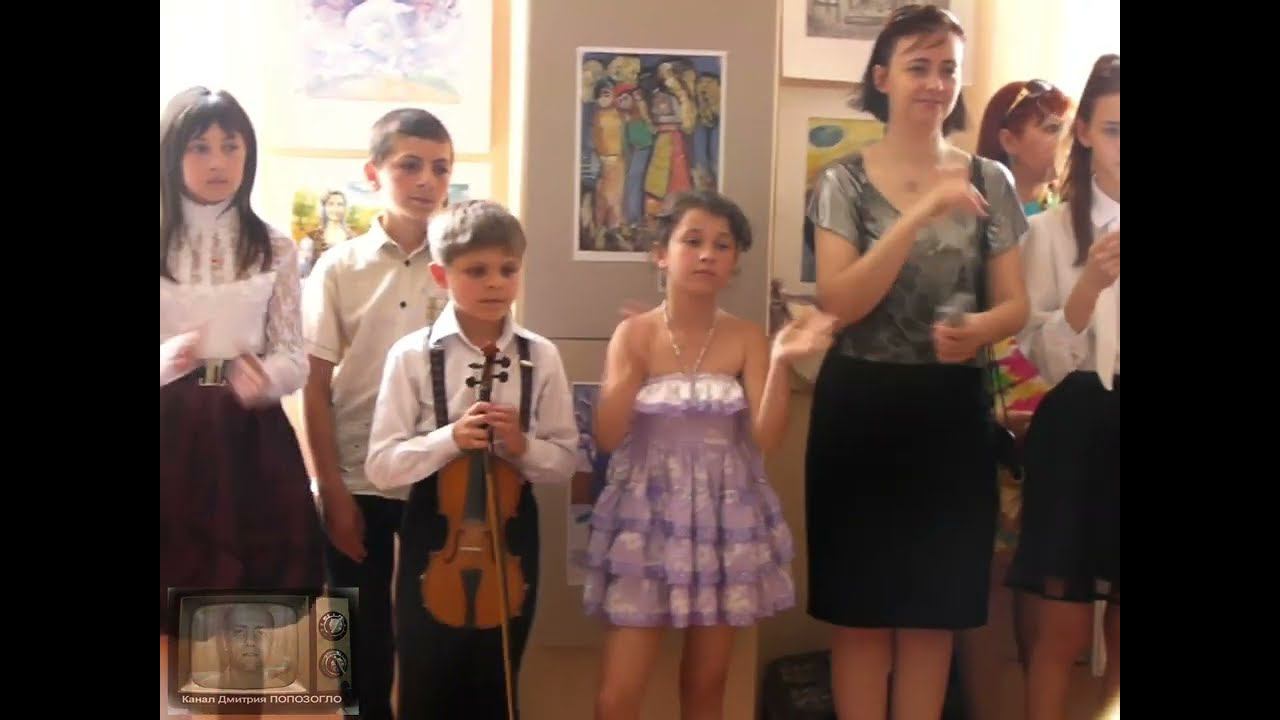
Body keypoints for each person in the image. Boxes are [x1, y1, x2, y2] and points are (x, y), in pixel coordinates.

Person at [803, 6, 1030, 718]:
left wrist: (980, 328)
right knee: (861, 615)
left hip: (951, 412)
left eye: (948, 69)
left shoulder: (991, 179)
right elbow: (840, 301)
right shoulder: (842, 182)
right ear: (882, 78)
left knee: (935, 616)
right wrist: (920, 212)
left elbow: (1015, 305)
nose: (935, 83)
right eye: (918, 67)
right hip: (860, 406)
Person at [585, 190, 835, 720]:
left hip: (726, 521)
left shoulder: (748, 337)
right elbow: (606, 436)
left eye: (722, 245)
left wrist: (782, 360)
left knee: (707, 686)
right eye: (692, 241)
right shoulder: (634, 334)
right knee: (617, 694)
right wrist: (629, 360)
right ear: (662, 254)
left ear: (735, 261)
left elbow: (767, 438)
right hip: (646, 518)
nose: (707, 254)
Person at [366, 200, 578, 719]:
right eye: (476, 270)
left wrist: (521, 445)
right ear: (442, 276)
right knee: (425, 680)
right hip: (434, 533)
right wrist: (449, 439)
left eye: (508, 269)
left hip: (512, 538)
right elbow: (382, 466)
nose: (495, 283)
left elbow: (563, 462)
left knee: (497, 683)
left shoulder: (540, 356)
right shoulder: (411, 355)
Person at [301, 107, 454, 720]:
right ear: (374, 174)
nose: (427, 181)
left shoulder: (464, 264)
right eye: (409, 165)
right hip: (356, 475)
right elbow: (314, 386)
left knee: (431, 633)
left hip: (436, 476)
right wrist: (330, 488)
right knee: (353, 635)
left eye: (440, 168)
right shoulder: (338, 267)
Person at [1009, 53, 1120, 720]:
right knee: (1061, 628)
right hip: (1075, 425)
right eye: (1113, 130)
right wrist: (1089, 287)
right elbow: (1039, 360)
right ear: (1083, 134)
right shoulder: (1048, 232)